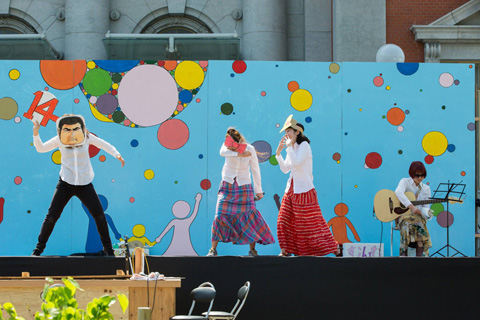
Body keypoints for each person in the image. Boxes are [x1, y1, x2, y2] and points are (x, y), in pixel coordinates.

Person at [31, 114, 125, 256]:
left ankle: (109, 251)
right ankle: (38, 250)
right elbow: (41, 148)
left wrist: (117, 154)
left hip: (84, 184)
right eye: (67, 130)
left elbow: (103, 144)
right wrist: (36, 133)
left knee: (99, 216)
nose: (71, 133)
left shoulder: (87, 137)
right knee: (52, 216)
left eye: (75, 129)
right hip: (65, 183)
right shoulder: (59, 140)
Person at [275, 115, 338, 256]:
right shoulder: (291, 148)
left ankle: (334, 248)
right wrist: (278, 153)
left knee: (310, 224)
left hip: (304, 190)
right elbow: (286, 168)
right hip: (291, 190)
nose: (287, 134)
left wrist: (289, 147)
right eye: (285, 132)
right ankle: (285, 250)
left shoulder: (304, 146)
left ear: (297, 132)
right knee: (283, 219)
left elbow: (297, 162)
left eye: (289, 131)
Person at [207, 128, 274, 256]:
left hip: (244, 186)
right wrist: (238, 154)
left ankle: (252, 250)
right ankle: (213, 249)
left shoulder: (249, 149)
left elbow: (255, 169)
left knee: (250, 216)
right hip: (228, 185)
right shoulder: (226, 146)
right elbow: (222, 152)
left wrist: (258, 190)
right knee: (220, 214)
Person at [394, 161, 432, 257]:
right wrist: (411, 206)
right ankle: (404, 254)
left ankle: (420, 257)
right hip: (404, 215)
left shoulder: (426, 189)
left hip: (418, 217)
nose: (420, 178)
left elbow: (425, 206)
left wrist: (427, 212)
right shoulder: (405, 182)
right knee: (407, 222)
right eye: (417, 175)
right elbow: (398, 192)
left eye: (422, 175)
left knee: (419, 222)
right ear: (411, 174)